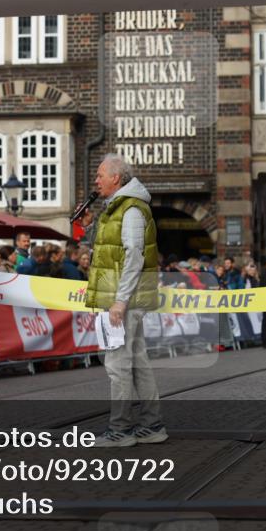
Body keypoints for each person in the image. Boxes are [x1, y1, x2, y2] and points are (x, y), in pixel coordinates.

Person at [87, 154, 166, 447]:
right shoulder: (124, 207)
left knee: (117, 363)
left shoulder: (130, 208)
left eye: (100, 175)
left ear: (116, 178)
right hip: (127, 296)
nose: (96, 180)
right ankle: (151, 424)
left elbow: (134, 254)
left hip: (123, 298)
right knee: (137, 362)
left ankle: (120, 429)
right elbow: (115, 251)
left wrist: (120, 300)